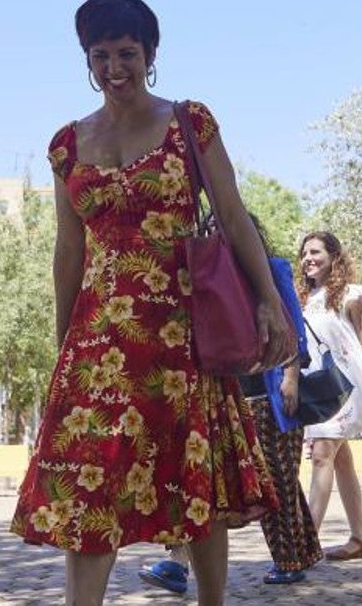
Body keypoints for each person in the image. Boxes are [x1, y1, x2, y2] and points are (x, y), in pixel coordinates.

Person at [9, 0, 294, 606]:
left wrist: (268, 300)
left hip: (183, 330)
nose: (115, 68)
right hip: (99, 341)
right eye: (101, 55)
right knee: (90, 485)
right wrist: (65, 343)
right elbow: (68, 250)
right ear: (87, 59)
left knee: (198, 478)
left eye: (127, 53)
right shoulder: (66, 145)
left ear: (151, 54)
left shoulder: (190, 123)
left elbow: (233, 216)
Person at [138, 215, 321, 593]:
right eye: (209, 231)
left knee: (279, 482)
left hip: (270, 394)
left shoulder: (272, 270)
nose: (214, 237)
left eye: (222, 230)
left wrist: (290, 376)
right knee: (202, 480)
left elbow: (293, 326)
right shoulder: (202, 274)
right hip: (224, 393)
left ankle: (290, 558)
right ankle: (177, 563)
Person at [296, 231, 362, 560]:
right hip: (322, 390)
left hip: (350, 387)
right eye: (304, 254)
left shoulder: (350, 295)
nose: (308, 259)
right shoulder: (303, 299)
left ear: (334, 256)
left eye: (315, 252)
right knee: (339, 460)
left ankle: (306, 544)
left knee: (322, 454)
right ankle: (360, 538)